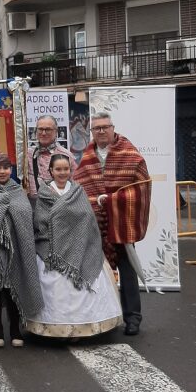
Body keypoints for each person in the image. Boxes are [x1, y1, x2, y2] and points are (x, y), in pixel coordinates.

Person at [25, 154, 123, 340]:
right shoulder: (44, 195)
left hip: (81, 247)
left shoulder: (78, 192)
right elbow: (39, 222)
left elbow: (88, 220)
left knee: (82, 286)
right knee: (55, 291)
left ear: (71, 170)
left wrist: (80, 239)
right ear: (51, 171)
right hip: (51, 250)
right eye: (58, 169)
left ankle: (83, 327)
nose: (62, 173)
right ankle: (55, 327)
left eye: (66, 169)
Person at [75, 112, 151, 336]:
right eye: (96, 128)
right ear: (92, 132)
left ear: (112, 128)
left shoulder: (129, 152)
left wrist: (114, 201)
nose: (100, 131)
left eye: (104, 127)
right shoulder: (88, 155)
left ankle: (133, 318)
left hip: (121, 221)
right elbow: (81, 188)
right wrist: (95, 203)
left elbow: (142, 187)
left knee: (127, 270)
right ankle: (102, 316)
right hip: (96, 222)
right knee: (98, 272)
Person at [0, 152, 43, 348]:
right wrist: (0, 206)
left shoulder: (17, 190)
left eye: (6, 168)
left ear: (11, 170)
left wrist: (7, 208)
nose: (2, 172)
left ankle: (15, 330)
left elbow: (24, 214)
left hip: (16, 250)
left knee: (14, 288)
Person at [27, 115, 76, 200]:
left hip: (58, 207)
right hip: (34, 208)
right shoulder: (27, 155)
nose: (43, 133)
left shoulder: (67, 156)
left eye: (48, 129)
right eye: (40, 129)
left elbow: (75, 186)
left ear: (56, 131)